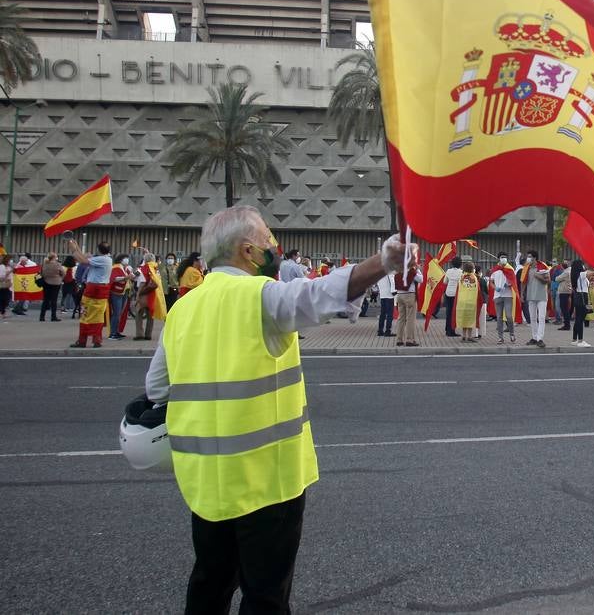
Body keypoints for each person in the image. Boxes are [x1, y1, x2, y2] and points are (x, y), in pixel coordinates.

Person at [144, 205, 415, 614]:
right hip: (267, 483)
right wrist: (384, 262)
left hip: (205, 482)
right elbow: (319, 294)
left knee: (209, 584)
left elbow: (156, 388)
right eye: (267, 237)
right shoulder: (260, 297)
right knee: (265, 595)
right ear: (248, 251)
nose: (274, 244)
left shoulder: (183, 308)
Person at [67, 240, 112, 348]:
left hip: (93, 289)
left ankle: (82, 341)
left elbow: (82, 260)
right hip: (103, 290)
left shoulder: (100, 259)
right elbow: (84, 258)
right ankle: (97, 340)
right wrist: (77, 247)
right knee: (98, 316)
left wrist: (73, 250)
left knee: (85, 314)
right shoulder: (108, 259)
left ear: (98, 250)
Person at [135, 252, 167, 341]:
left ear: (145, 259)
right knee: (150, 315)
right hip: (153, 293)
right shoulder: (156, 268)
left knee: (139, 313)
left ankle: (139, 334)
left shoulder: (144, 268)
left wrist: (138, 294)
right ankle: (148, 334)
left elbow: (142, 282)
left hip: (144, 293)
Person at [521, 250, 550, 347]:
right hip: (531, 296)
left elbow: (548, 280)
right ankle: (534, 337)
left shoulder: (542, 266)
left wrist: (538, 276)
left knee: (541, 318)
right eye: (528, 256)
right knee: (532, 318)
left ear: (535, 258)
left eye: (530, 256)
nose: (528, 258)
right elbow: (523, 282)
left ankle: (540, 339)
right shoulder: (526, 267)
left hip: (542, 296)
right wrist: (521, 294)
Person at [490, 253, 517, 344]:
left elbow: (513, 281)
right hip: (498, 296)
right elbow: (491, 282)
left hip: (508, 295)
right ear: (499, 259)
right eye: (502, 257)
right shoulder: (495, 270)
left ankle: (512, 334)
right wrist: (495, 288)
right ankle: (500, 337)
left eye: (505, 257)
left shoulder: (510, 269)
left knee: (509, 316)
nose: (504, 259)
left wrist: (509, 284)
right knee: (499, 317)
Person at [394, 262, 422, 347]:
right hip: (409, 295)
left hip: (399, 295)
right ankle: (409, 339)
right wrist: (418, 269)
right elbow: (421, 279)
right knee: (410, 319)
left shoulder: (398, 271)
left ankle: (399, 339)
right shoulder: (411, 271)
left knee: (401, 318)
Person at [453, 262, 482, 342]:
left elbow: (458, 289)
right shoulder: (474, 278)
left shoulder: (461, 277)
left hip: (461, 302)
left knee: (464, 319)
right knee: (470, 319)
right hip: (471, 302)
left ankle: (463, 336)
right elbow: (478, 290)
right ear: (472, 269)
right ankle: (469, 336)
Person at [108, 253, 133, 340]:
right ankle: (112, 333)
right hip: (117, 292)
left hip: (124, 292)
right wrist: (126, 277)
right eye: (125, 258)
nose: (127, 260)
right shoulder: (116, 267)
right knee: (116, 313)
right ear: (120, 259)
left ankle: (116, 331)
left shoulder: (125, 268)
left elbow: (130, 277)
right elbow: (114, 278)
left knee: (119, 313)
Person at [570, 260, 590, 347]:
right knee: (580, 319)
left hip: (578, 296)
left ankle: (574, 339)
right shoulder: (581, 274)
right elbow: (592, 272)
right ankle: (580, 340)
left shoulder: (575, 275)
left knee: (578, 318)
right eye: (582, 264)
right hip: (582, 296)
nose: (584, 266)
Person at [40, 252, 65, 322]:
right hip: (56, 283)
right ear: (54, 257)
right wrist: (60, 278)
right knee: (54, 300)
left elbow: (42, 273)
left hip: (46, 282)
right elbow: (63, 273)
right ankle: (53, 316)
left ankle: (42, 316)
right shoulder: (58, 264)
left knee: (45, 300)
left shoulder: (44, 264)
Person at [442, 256, 463, 337]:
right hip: (456, 294)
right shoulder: (461, 272)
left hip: (448, 293)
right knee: (454, 313)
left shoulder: (448, 271)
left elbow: (445, 282)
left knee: (448, 312)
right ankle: (452, 331)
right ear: (460, 264)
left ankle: (447, 329)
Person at [376, 272, 395, 336]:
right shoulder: (389, 270)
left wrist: (380, 291)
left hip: (382, 294)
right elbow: (392, 280)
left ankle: (380, 330)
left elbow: (378, 282)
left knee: (382, 313)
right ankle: (388, 331)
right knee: (390, 314)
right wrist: (394, 291)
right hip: (389, 294)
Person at [556, 261, 573, 331]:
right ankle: (567, 324)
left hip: (564, 291)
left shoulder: (566, 272)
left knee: (564, 309)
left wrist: (560, 279)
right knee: (566, 308)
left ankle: (567, 325)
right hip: (568, 290)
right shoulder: (570, 270)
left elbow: (557, 279)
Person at [0, 254, 12, 320]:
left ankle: (3, 312)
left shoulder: (8, 266)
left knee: (6, 299)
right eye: (9, 260)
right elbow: (2, 277)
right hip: (3, 284)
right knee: (3, 299)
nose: (10, 261)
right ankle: (2, 312)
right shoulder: (2, 266)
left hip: (7, 285)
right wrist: (10, 271)